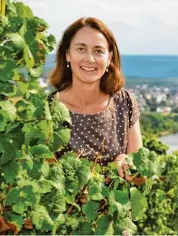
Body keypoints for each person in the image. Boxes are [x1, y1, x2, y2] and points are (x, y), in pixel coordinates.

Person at [47, 17, 143, 180]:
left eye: (98, 51)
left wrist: (128, 161)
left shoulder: (125, 102)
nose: (90, 59)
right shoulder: (49, 110)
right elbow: (47, 181)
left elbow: (141, 177)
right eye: (81, 49)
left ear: (109, 58)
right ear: (68, 54)